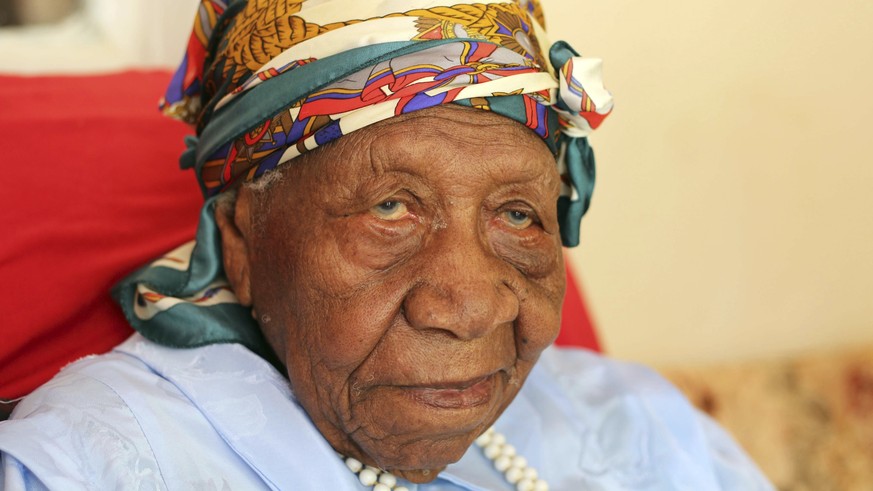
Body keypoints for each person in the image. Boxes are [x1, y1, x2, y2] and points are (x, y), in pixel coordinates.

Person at [0, 0, 774, 489]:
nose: (469, 306)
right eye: (391, 206)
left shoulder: (637, 424)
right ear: (241, 240)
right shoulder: (100, 461)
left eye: (515, 215)